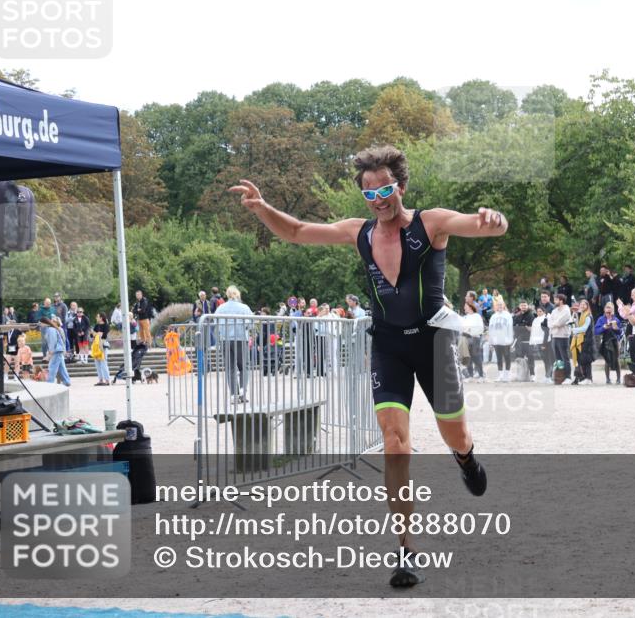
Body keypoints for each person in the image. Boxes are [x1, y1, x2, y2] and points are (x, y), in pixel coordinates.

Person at [231, 144, 503, 587]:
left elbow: (480, 225)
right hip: (388, 347)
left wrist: (494, 219)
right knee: (395, 444)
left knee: (456, 433)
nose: (379, 199)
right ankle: (406, 551)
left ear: (400, 186)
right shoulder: (358, 233)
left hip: (433, 344)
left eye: (386, 189)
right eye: (370, 193)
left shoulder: (429, 223)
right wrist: (263, 209)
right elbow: (298, 231)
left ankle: (466, 459)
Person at [214, 285, 255, 401]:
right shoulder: (244, 307)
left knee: (230, 368)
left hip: (225, 339)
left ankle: (233, 395)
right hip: (241, 338)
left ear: (227, 295)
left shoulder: (221, 308)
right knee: (244, 366)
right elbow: (251, 325)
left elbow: (215, 323)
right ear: (237, 294)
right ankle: (242, 389)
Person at [594, 302, 622, 384]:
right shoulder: (601, 319)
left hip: (614, 341)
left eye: (610, 312)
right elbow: (596, 331)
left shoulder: (616, 319)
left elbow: (620, 332)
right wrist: (603, 327)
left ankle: (618, 379)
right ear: (604, 310)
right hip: (605, 341)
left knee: (617, 359)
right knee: (606, 359)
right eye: (607, 312)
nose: (608, 314)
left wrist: (616, 328)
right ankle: (607, 379)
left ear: (613, 311)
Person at [548, 293, 573, 383]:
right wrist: (554, 324)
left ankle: (568, 377)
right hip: (554, 335)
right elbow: (549, 323)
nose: (554, 301)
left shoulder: (566, 310)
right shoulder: (554, 311)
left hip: (563, 336)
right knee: (557, 358)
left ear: (561, 301)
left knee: (564, 357)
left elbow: (560, 322)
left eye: (556, 300)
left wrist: (554, 324)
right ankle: (559, 376)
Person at [487, 299, 514, 382]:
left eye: (501, 304)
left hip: (505, 340)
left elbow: (510, 328)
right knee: (498, 358)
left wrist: (510, 339)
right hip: (496, 340)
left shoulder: (508, 315)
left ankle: (507, 374)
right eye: (498, 305)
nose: (499, 306)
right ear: (496, 306)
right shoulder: (493, 316)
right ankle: (500, 375)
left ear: (504, 305)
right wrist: (491, 340)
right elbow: (491, 329)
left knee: (507, 357)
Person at [41, 316, 71, 387]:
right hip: (58, 349)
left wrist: (50, 352)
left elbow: (52, 341)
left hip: (56, 350)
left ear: (44, 323)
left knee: (52, 367)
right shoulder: (51, 328)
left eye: (41, 323)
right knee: (61, 367)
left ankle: (50, 382)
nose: (40, 325)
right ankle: (67, 381)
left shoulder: (50, 329)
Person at [570, 299, 594, 385]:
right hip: (580, 340)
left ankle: (589, 378)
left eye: (585, 304)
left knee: (586, 360)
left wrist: (574, 330)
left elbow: (584, 328)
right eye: (581, 304)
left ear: (587, 306)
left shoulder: (588, 316)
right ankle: (581, 377)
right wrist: (574, 313)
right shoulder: (580, 315)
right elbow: (573, 322)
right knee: (580, 360)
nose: (582, 306)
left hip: (586, 341)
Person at [511, 300, 536, 381]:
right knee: (519, 358)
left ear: (527, 306)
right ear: (519, 306)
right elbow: (515, 327)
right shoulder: (516, 316)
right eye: (522, 305)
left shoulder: (531, 315)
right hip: (519, 341)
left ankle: (532, 375)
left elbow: (530, 328)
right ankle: (520, 375)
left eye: (525, 305)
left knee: (530, 357)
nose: (523, 307)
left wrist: (521, 325)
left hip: (529, 340)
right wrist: (523, 325)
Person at [461, 301, 485, 382]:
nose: (464, 308)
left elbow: (480, 329)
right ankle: (470, 376)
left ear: (470, 307)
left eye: (465, 306)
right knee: (468, 358)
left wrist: (471, 331)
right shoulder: (465, 317)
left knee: (476, 357)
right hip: (466, 339)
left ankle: (481, 376)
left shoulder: (477, 316)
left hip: (474, 338)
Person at [528, 306, 549, 383]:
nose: (539, 312)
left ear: (544, 311)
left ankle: (548, 376)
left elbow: (546, 332)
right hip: (536, 341)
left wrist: (544, 343)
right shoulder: (535, 320)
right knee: (543, 359)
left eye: (540, 311)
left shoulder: (546, 319)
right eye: (538, 311)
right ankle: (546, 376)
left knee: (546, 359)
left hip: (543, 341)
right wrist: (532, 342)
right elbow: (533, 332)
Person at [93, 312, 111, 385]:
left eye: (97, 316)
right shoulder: (96, 325)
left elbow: (104, 335)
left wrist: (96, 334)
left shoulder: (106, 325)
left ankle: (107, 380)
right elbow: (92, 335)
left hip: (103, 345)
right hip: (96, 345)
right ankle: (100, 379)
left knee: (103, 363)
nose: (96, 318)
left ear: (101, 318)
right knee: (97, 363)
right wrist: (98, 334)